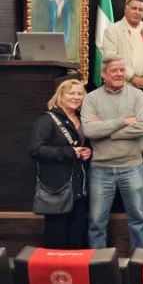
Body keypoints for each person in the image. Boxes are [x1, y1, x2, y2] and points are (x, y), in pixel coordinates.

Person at [81, 56, 143, 250]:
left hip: (132, 167)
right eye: (115, 70)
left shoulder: (137, 95)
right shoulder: (91, 98)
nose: (120, 74)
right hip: (100, 170)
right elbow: (89, 131)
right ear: (103, 74)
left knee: (138, 219)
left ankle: (140, 265)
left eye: (122, 70)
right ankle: (98, 267)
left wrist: (107, 133)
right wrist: (121, 121)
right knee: (96, 222)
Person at [29, 78, 91, 248]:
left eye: (80, 93)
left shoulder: (81, 118)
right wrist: (69, 153)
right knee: (57, 234)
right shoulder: (47, 119)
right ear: (61, 95)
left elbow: (79, 146)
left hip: (79, 187)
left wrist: (86, 152)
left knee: (77, 233)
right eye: (71, 93)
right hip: (57, 187)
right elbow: (35, 150)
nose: (76, 97)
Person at [102, 0, 143, 91]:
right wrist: (133, 78)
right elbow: (111, 59)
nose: (137, 12)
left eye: (140, 10)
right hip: (122, 84)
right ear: (126, 9)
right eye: (134, 8)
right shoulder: (112, 30)